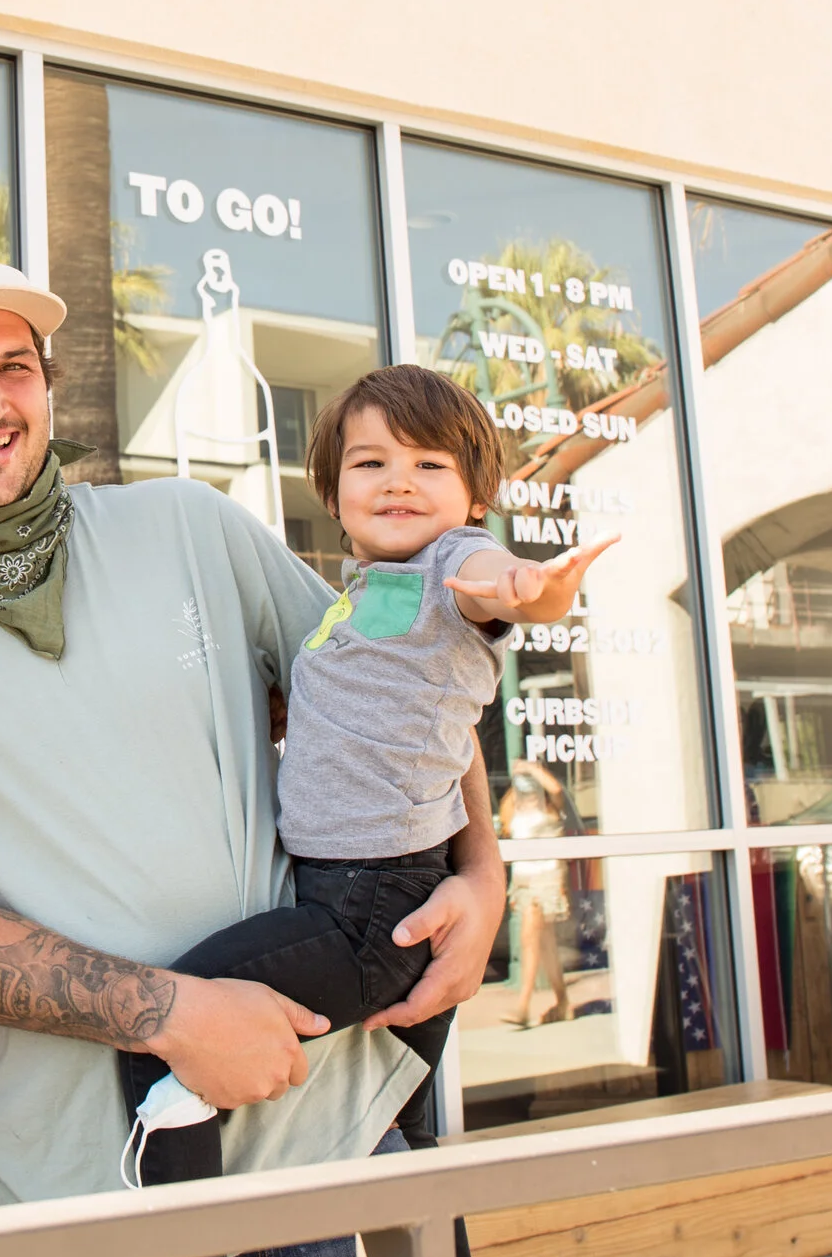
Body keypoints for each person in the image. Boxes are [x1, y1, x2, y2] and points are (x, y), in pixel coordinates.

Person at [0, 253, 508, 1241]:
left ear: (46, 385)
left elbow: (396, 688)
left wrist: (483, 873)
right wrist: (167, 1014)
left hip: (322, 1137)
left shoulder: (189, 524)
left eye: (13, 365)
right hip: (89, 1189)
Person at [118, 366, 614, 1179]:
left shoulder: (452, 563)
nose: (399, 482)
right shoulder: (362, 590)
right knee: (401, 1146)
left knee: (180, 1005)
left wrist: (532, 587)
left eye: (430, 465)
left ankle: (186, 1216)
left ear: (475, 496)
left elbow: (496, 583)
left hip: (373, 899)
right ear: (335, 487)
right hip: (354, 886)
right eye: (371, 462)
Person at [498, 762, 578, 1028]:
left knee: (529, 937)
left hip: (548, 877)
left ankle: (522, 1005)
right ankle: (563, 1002)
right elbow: (504, 823)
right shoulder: (513, 809)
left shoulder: (552, 809)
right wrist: (517, 778)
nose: (530, 794)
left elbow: (556, 790)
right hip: (524, 879)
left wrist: (533, 769)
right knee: (545, 945)